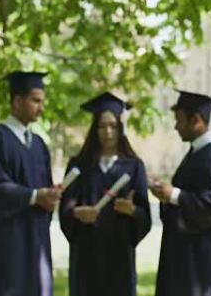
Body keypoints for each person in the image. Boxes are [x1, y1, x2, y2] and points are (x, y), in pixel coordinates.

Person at [0, 71, 58, 296]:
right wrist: (34, 196)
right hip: (5, 241)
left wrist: (49, 198)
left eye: (42, 101)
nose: (41, 107)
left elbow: (44, 190)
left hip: (36, 238)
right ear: (17, 101)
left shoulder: (39, 144)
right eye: (35, 100)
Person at [59, 92, 151, 296]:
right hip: (86, 254)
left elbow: (145, 217)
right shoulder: (79, 166)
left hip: (120, 255)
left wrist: (132, 211)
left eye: (113, 126)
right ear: (94, 129)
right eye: (101, 126)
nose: (107, 132)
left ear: (121, 129)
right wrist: (76, 213)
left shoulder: (134, 167)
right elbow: (65, 211)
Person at [150, 90, 211, 296]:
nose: (175, 126)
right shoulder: (197, 154)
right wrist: (167, 195)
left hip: (205, 266)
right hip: (191, 260)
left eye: (180, 121)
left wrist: (173, 195)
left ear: (197, 120)